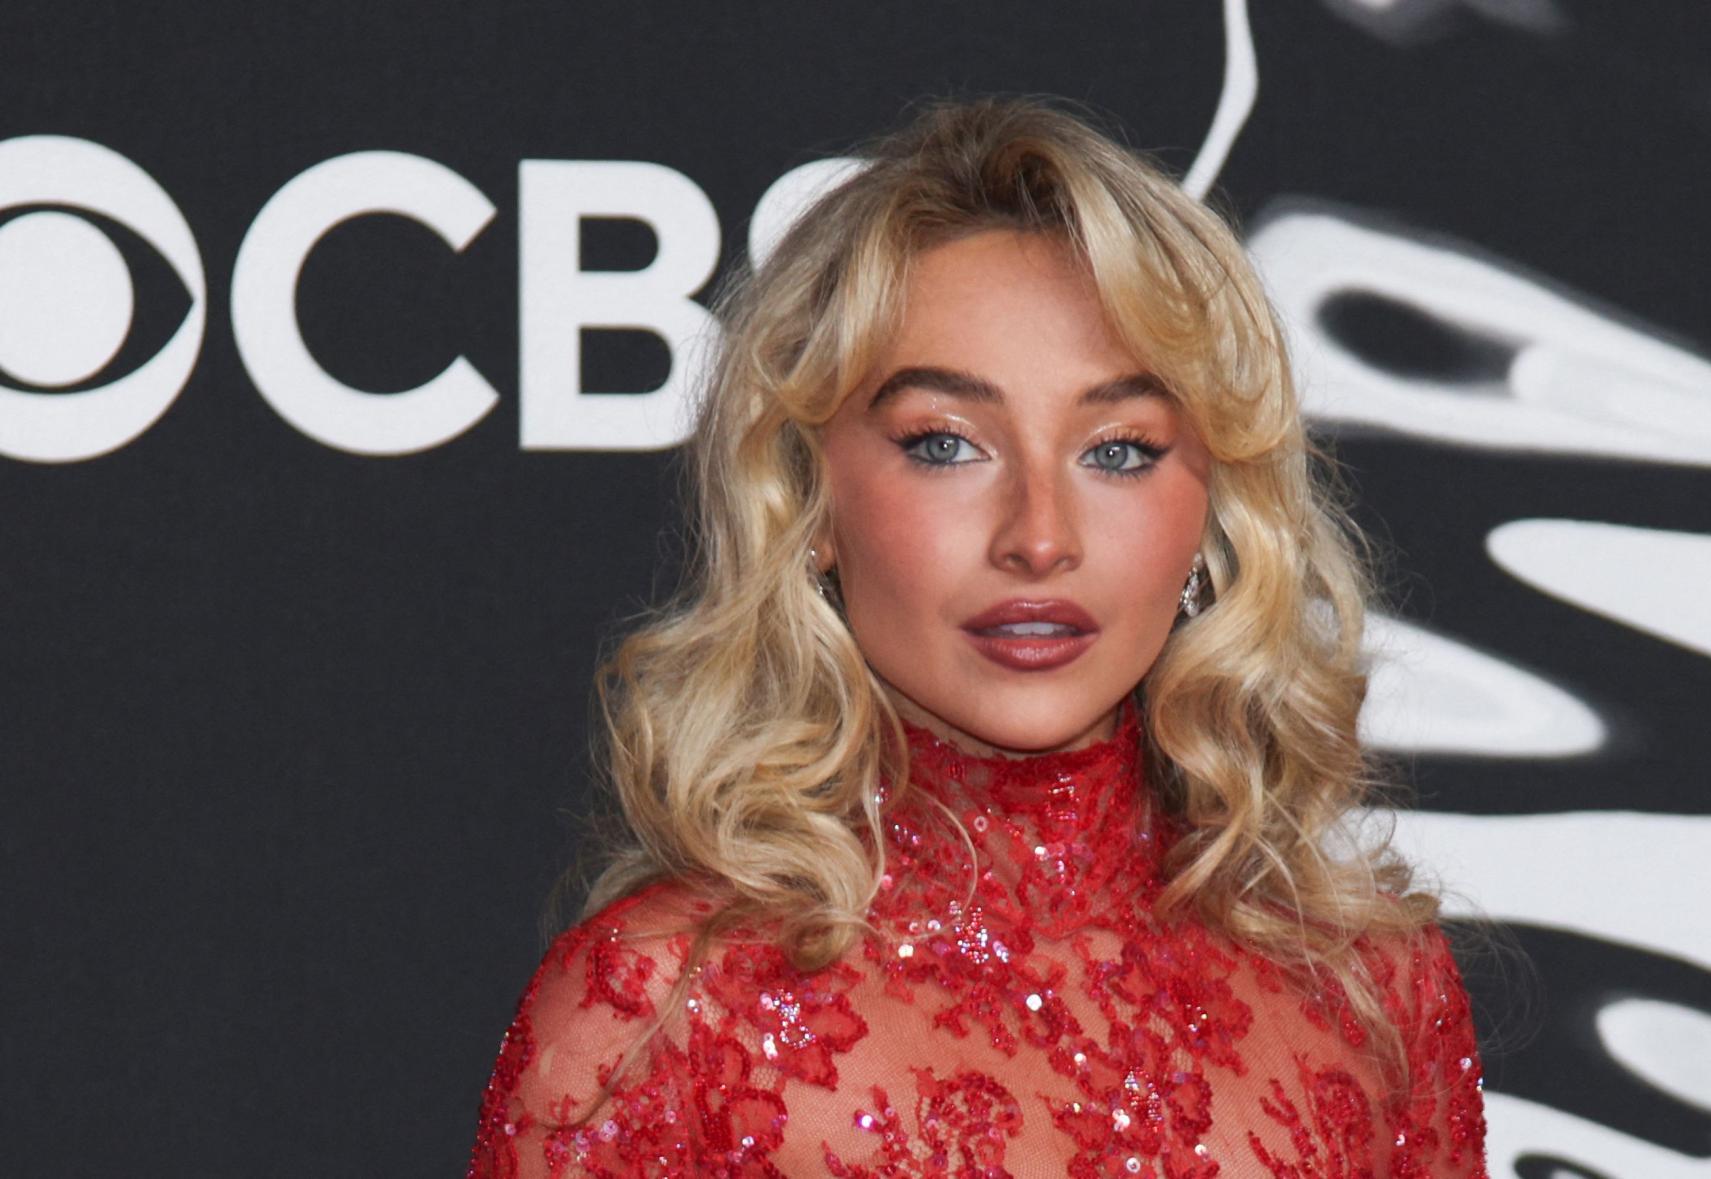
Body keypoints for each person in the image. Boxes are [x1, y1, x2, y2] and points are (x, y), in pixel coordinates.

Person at [466, 94, 1490, 1178]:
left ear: (1212, 508)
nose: (1039, 539)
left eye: (1119, 450)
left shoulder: (1375, 989)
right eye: (946, 444)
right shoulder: (654, 1013)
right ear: (808, 503)